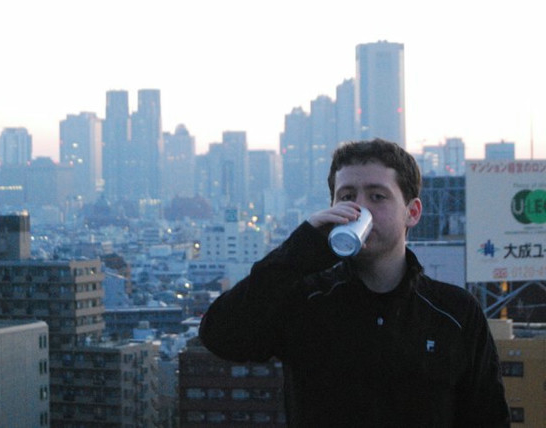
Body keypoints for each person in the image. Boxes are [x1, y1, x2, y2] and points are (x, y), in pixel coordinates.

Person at [199, 139, 510, 427]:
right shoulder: (308, 299)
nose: (360, 209)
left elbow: (487, 415)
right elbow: (220, 336)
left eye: (377, 196)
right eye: (347, 197)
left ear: (412, 212)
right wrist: (300, 249)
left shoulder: (453, 312)